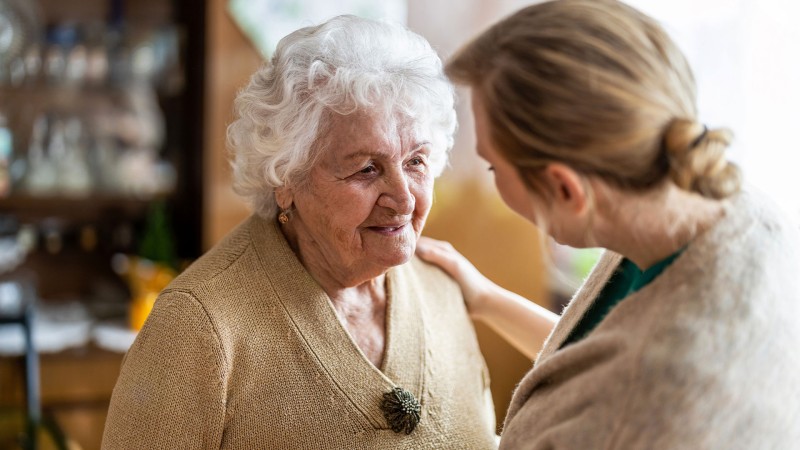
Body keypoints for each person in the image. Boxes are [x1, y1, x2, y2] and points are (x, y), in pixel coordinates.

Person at [416, 0, 800, 448]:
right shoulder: (724, 208)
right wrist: (485, 298)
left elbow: (623, 384)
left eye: (492, 167)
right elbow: (597, 359)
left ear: (565, 189)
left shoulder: (655, 401)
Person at [102, 15, 498, 449]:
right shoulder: (198, 327)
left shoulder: (442, 287)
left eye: (416, 162)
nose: (403, 200)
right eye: (367, 169)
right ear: (286, 179)